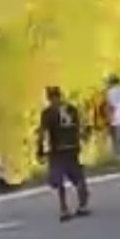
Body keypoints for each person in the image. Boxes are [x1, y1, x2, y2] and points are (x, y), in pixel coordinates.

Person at [37, 86, 90, 221]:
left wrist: (40, 150)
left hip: (58, 149)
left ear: (49, 97)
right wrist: (81, 140)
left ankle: (64, 209)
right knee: (77, 176)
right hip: (72, 146)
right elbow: (78, 127)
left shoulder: (48, 113)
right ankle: (83, 205)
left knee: (59, 179)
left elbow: (43, 133)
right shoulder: (72, 109)